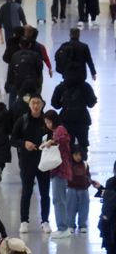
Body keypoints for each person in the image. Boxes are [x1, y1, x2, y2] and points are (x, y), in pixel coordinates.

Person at [11, 94, 51, 234]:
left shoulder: (47, 121)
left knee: (45, 193)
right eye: (33, 103)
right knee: (26, 192)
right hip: (27, 162)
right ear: (29, 104)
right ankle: (24, 221)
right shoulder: (22, 120)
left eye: (38, 103)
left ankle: (45, 221)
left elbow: (55, 136)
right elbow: (13, 139)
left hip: (44, 162)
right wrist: (24, 143)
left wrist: (50, 142)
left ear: (42, 104)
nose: (35, 106)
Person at [50, 76, 97, 161]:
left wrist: (63, 103)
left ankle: (68, 166)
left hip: (66, 119)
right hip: (82, 119)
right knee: (83, 145)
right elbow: (91, 103)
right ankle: (82, 166)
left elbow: (55, 104)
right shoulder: (85, 86)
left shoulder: (61, 87)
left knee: (66, 146)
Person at [43, 110, 73, 240]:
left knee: (58, 199)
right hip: (58, 169)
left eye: (49, 122)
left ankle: (63, 228)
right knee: (59, 199)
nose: (48, 125)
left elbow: (64, 140)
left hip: (60, 169)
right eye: (46, 123)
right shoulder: (56, 131)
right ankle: (63, 227)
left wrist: (52, 142)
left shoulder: (60, 130)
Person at [94, 163, 116, 254]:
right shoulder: (111, 182)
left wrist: (105, 218)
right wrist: (101, 189)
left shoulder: (112, 182)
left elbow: (110, 200)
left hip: (112, 227)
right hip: (111, 227)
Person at [5, 37, 43, 108]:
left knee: (20, 99)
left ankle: (14, 110)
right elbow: (40, 68)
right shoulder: (35, 55)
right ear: (30, 45)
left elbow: (10, 71)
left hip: (19, 83)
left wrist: (9, 83)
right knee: (31, 99)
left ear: (20, 45)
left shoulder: (15, 55)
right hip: (32, 83)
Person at [67, 145, 92, 233]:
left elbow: (88, 176)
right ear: (72, 155)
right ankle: (70, 224)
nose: (78, 157)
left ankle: (82, 225)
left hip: (83, 189)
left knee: (84, 208)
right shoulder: (68, 164)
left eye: (80, 155)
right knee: (70, 207)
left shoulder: (85, 164)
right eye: (76, 154)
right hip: (72, 189)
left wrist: (87, 184)